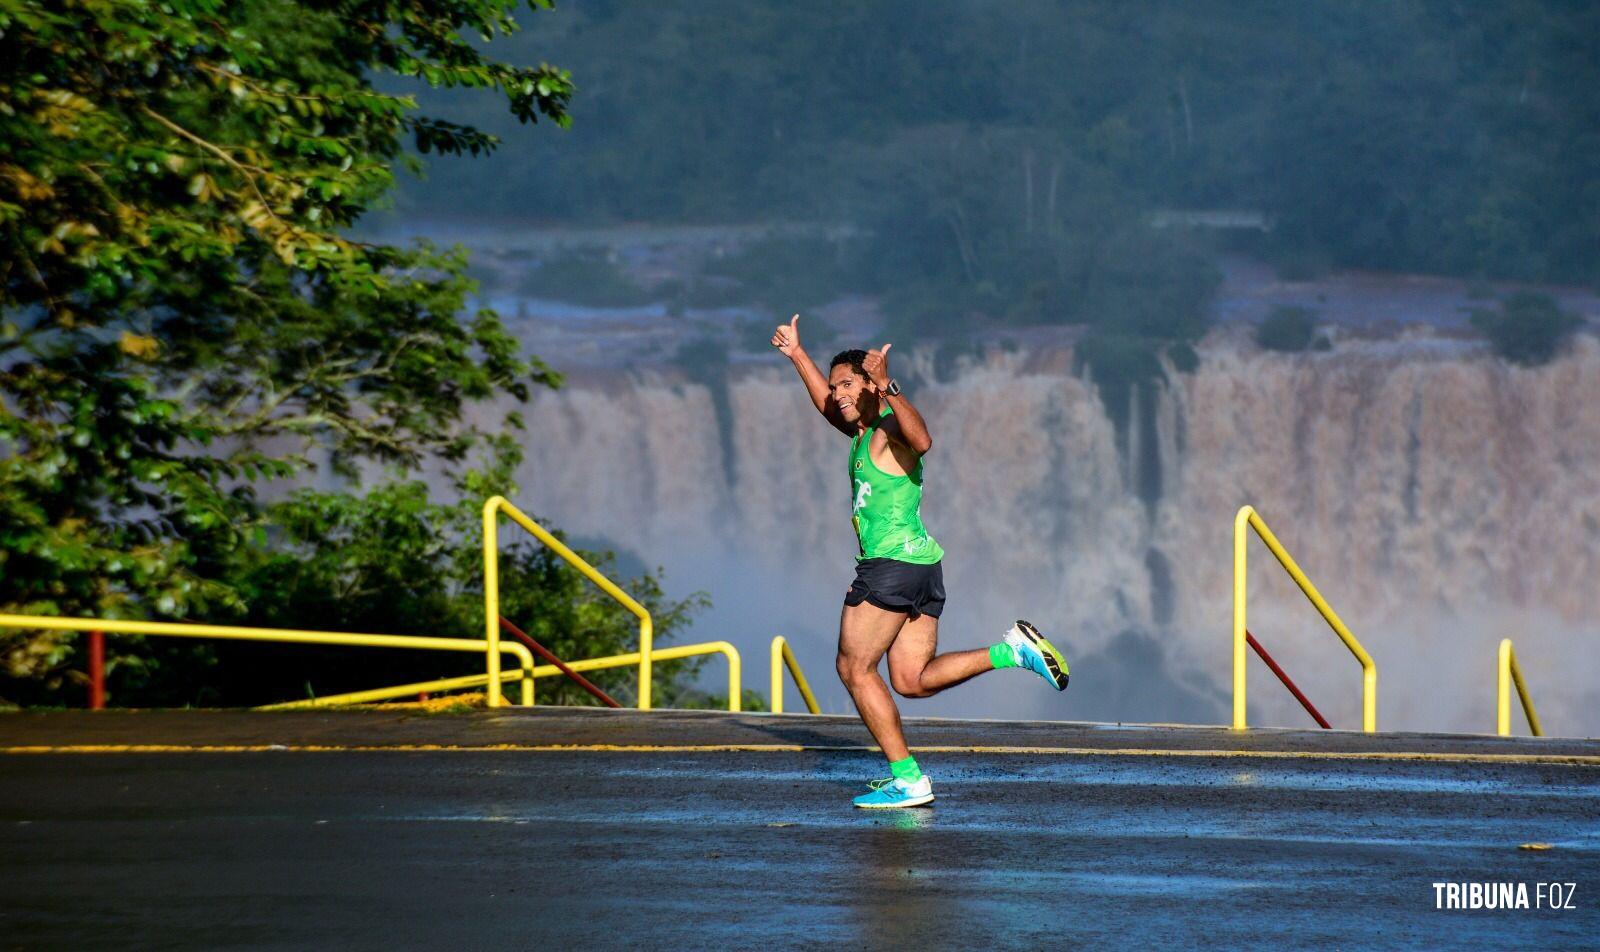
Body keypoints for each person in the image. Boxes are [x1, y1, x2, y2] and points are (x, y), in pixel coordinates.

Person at [771, 315, 1070, 808]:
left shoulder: (889, 430)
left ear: (871, 385)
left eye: (847, 384)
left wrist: (888, 385)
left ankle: (908, 779)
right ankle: (1013, 651)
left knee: (854, 668)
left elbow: (924, 439)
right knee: (910, 679)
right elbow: (830, 410)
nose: (837, 393)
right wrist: (797, 355)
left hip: (888, 568)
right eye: (834, 385)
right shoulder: (863, 434)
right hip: (922, 568)